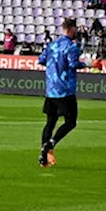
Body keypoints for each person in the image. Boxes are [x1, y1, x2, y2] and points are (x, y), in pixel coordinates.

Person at [37, 18, 87, 167]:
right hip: (65, 91)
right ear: (71, 29)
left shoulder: (52, 45)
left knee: (50, 123)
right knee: (70, 122)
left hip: (51, 89)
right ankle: (50, 144)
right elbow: (73, 64)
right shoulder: (71, 46)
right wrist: (87, 64)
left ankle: (44, 157)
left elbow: (41, 60)